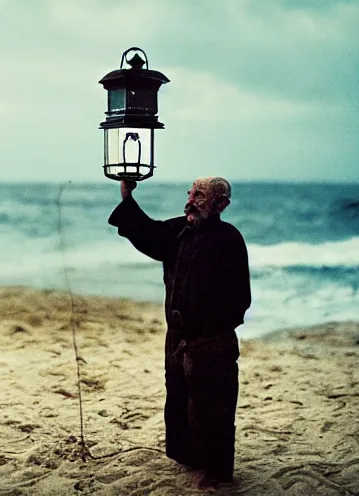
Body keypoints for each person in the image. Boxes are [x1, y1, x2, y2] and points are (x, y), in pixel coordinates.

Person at [107, 177, 251, 489]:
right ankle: (189, 457)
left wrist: (208, 328)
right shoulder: (179, 231)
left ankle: (216, 471)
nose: (190, 200)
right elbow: (149, 233)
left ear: (220, 205)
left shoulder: (229, 239)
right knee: (179, 396)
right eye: (190, 193)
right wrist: (126, 195)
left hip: (210, 340)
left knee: (213, 405)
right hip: (177, 337)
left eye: (199, 195)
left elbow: (240, 297)